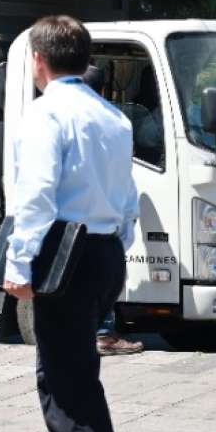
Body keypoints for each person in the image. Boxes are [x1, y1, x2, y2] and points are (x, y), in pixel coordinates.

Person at [4, 16, 140, 432]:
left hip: (66, 256)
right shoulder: (113, 117)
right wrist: (115, 248)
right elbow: (128, 199)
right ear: (84, 61)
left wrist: (19, 262)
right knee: (77, 372)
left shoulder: (46, 115)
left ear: (38, 60)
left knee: (64, 383)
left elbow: (37, 196)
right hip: (103, 255)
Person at [81, 64, 144, 359]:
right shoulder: (116, 121)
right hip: (107, 221)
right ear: (104, 90)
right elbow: (125, 174)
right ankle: (103, 334)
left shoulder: (65, 118)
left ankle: (93, 333)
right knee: (106, 281)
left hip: (75, 220)